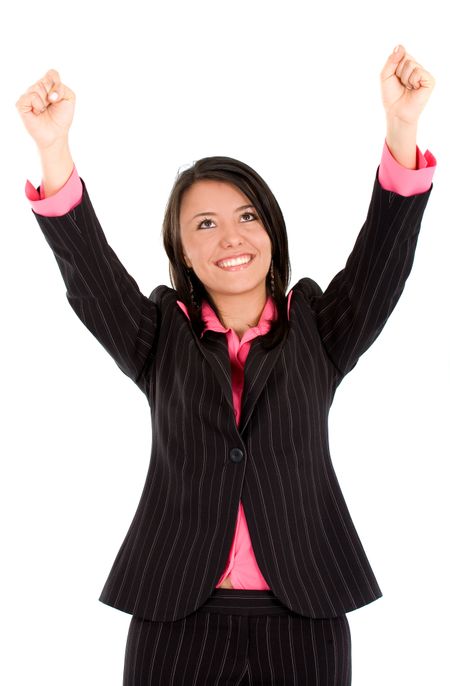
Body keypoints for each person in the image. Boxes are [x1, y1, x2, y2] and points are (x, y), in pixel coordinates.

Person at [16, 43, 436, 685]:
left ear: (272, 232)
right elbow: (92, 276)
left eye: (246, 217)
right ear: (182, 253)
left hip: (305, 614)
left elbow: (384, 258)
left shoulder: (319, 328)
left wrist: (402, 129)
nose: (230, 237)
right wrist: (54, 150)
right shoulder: (159, 334)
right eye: (204, 225)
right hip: (178, 615)